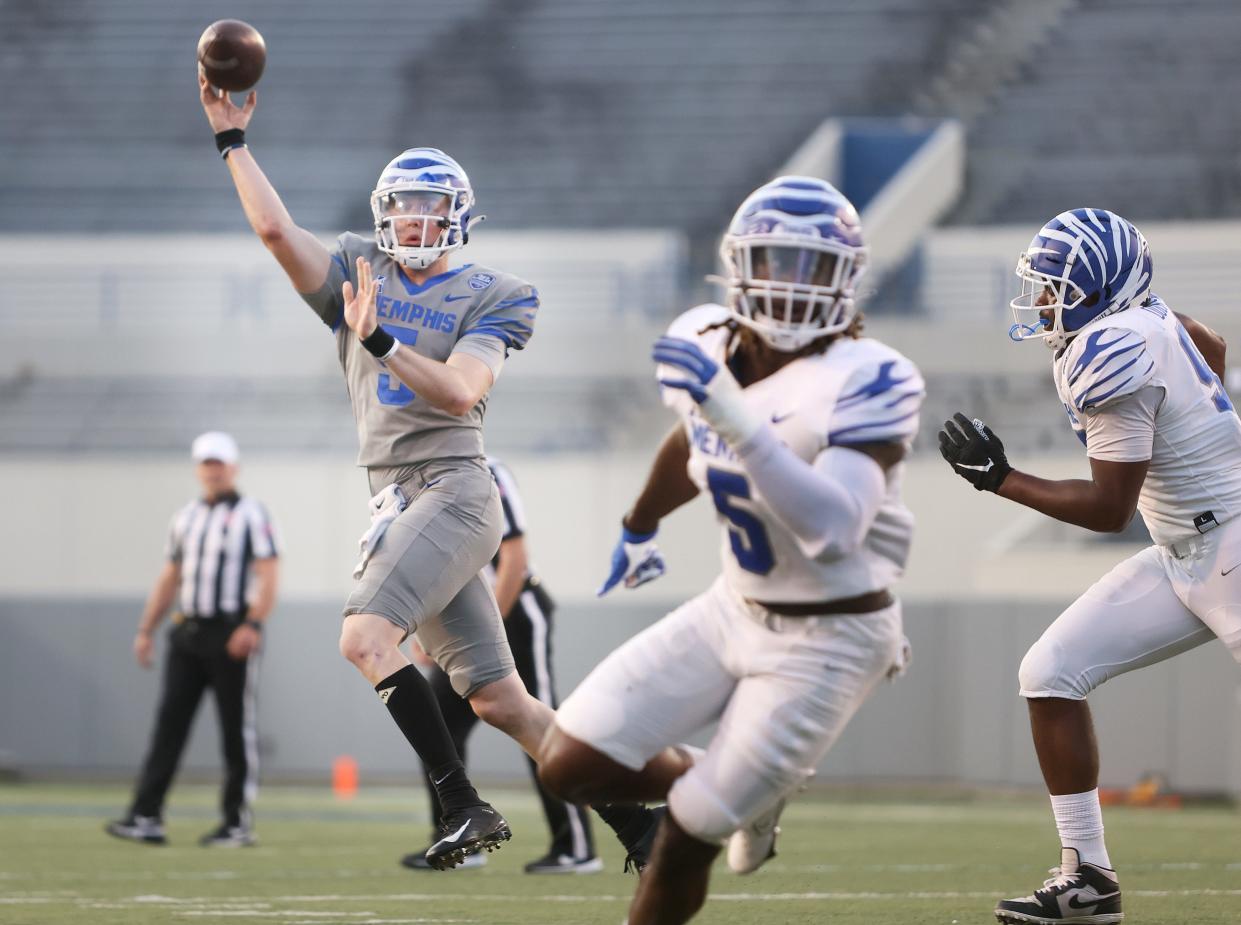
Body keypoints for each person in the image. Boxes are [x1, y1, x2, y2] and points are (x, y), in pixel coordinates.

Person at [197, 74, 654, 870]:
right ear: (383, 212)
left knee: (363, 635)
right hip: (398, 495)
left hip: (456, 487)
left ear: (457, 217)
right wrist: (232, 140)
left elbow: (460, 389)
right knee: (502, 701)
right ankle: (643, 829)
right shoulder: (356, 268)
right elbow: (274, 231)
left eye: (430, 205)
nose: (414, 217)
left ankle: (460, 803)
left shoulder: (493, 294)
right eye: (402, 204)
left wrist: (378, 342)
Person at [538, 176, 923, 924]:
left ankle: (729, 792)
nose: (791, 285)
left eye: (812, 266)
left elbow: (834, 524)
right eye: (776, 261)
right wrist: (639, 522)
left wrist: (736, 418)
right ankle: (747, 785)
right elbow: (692, 434)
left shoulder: (868, 376)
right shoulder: (705, 339)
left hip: (830, 636)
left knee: (685, 831)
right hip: (732, 608)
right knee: (567, 762)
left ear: (846, 280)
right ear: (738, 267)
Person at [938, 207, 1241, 925]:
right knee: (1048, 672)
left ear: (1102, 292)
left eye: (1057, 288)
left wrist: (999, 477)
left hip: (1228, 542)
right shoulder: (1143, 318)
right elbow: (1210, 343)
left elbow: (1107, 510)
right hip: (1184, 550)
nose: (1044, 301)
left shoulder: (1109, 350)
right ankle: (1088, 878)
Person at [401, 457, 600, 874]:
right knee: (437, 728)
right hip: (465, 623)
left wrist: (494, 628)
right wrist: (427, 630)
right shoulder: (417, 479)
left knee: (536, 722)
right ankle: (462, 837)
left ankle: (577, 846)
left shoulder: (485, 472)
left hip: (515, 616)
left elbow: (515, 557)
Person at [106, 431, 279, 847]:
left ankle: (236, 821)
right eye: (206, 463)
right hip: (188, 630)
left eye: (219, 463)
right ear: (198, 469)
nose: (212, 470)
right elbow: (171, 576)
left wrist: (252, 624)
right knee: (169, 725)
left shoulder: (253, 514)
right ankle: (147, 814)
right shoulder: (186, 516)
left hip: (230, 628)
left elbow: (269, 572)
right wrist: (146, 628)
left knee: (236, 729)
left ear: (233, 467)